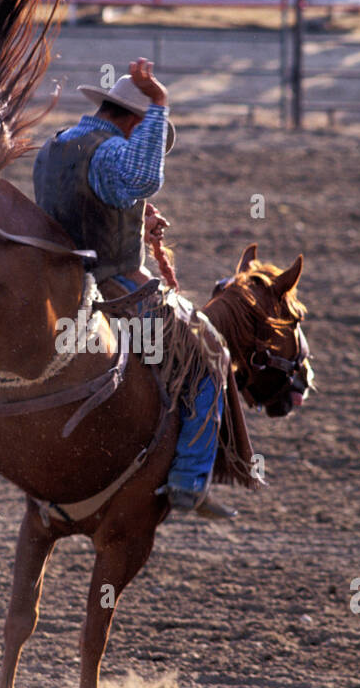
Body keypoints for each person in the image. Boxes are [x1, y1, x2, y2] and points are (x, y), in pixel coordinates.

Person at [32, 59, 233, 519]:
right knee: (208, 358)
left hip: (59, 281)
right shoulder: (110, 152)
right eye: (147, 132)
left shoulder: (56, 146)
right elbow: (143, 177)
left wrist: (137, 214)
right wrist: (160, 101)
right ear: (134, 120)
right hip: (113, 283)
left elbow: (77, 202)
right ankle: (187, 483)